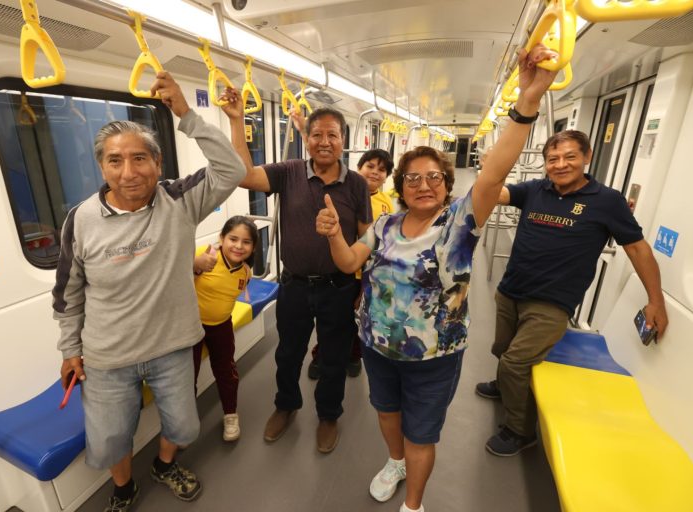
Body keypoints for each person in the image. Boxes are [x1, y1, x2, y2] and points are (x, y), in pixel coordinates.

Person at [315, 45, 558, 512]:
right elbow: (349, 264)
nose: (423, 185)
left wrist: (528, 100)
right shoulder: (383, 226)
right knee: (387, 414)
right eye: (412, 178)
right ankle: (394, 462)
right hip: (377, 344)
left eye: (433, 177)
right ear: (399, 187)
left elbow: (495, 170)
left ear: (447, 184)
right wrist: (331, 235)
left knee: (421, 431)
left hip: (433, 354)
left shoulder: (460, 223)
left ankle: (414, 506)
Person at [52, 71, 246, 512]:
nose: (129, 171)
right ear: (102, 167)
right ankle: (123, 489)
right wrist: (69, 349)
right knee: (108, 439)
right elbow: (68, 294)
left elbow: (233, 169)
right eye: (115, 161)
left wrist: (183, 111)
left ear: (158, 165)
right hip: (106, 354)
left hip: (173, 345)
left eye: (140, 158)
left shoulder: (179, 199)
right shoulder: (80, 219)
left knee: (184, 427)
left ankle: (163, 465)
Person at [476, 128, 669, 456]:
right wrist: (491, 166)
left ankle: (521, 432)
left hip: (552, 301)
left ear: (587, 157)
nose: (560, 164)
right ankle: (505, 387)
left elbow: (637, 249)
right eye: (553, 159)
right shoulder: (534, 190)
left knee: (515, 362)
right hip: (512, 289)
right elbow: (492, 193)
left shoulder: (607, 201)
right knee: (502, 348)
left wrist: (656, 300)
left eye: (569, 157)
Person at [220, 87, 372, 453]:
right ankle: (286, 406)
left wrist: (365, 285)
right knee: (288, 353)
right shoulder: (288, 173)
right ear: (307, 139)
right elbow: (245, 175)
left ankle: (328, 415)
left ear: (342, 141)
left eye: (332, 135)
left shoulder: (356, 184)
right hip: (295, 286)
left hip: (338, 287)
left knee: (334, 357)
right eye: (316, 134)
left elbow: (367, 238)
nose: (324, 142)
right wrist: (237, 121)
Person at [307, 149, 395, 380]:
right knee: (331, 321)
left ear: (387, 177)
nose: (375, 172)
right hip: (337, 268)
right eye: (370, 166)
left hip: (365, 272)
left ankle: (354, 355)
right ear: (359, 168)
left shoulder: (386, 203)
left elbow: (382, 245)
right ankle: (320, 355)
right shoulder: (341, 195)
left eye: (382, 169)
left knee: (359, 317)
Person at [191, 215, 259, 442]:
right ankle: (185, 423)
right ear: (222, 238)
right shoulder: (204, 253)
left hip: (220, 325)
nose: (239, 246)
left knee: (227, 372)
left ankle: (230, 415)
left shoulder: (245, 273)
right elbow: (173, 278)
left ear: (253, 247)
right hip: (190, 327)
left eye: (246, 242)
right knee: (186, 377)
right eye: (233, 239)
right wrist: (194, 265)